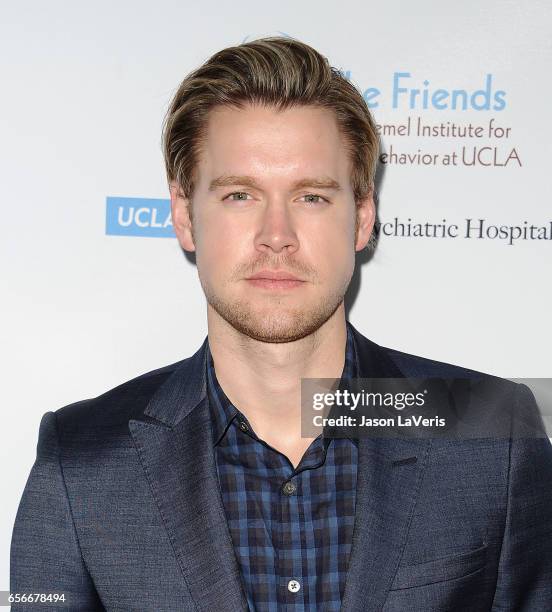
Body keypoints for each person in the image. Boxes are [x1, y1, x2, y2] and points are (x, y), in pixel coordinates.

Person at [10, 36, 552, 612]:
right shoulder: (82, 463)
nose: (277, 234)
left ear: (362, 216)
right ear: (184, 215)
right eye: (240, 194)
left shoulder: (493, 434)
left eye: (312, 197)